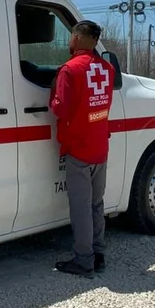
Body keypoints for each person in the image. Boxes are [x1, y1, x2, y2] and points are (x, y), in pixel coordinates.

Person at [48, 20, 116, 277]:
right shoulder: (106, 68)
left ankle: (83, 260)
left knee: (80, 206)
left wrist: (53, 94)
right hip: (99, 144)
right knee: (97, 204)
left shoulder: (70, 70)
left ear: (76, 37)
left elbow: (60, 108)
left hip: (78, 146)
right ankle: (98, 254)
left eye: (71, 36)